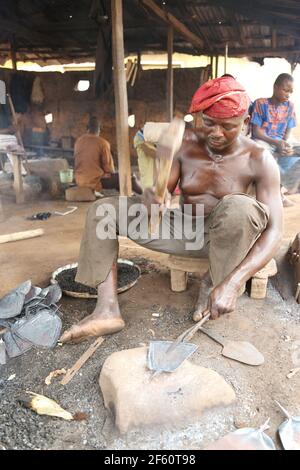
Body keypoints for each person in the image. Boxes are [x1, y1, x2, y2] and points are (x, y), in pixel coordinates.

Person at [60, 76, 282, 344]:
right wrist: (154, 196)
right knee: (103, 210)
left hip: (227, 242)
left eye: (227, 126)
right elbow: (162, 191)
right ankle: (107, 310)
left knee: (241, 208)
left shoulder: (260, 159)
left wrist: (235, 282)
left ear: (246, 123)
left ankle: (213, 283)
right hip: (182, 229)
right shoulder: (186, 143)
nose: (215, 133)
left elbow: (274, 231)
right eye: (209, 122)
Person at [251, 73, 300, 199]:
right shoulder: (260, 103)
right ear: (275, 87)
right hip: (263, 140)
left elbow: (289, 129)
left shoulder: (290, 106)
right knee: (261, 153)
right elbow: (256, 132)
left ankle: (283, 188)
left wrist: (284, 143)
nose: (288, 94)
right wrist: (276, 143)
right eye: (285, 90)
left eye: (291, 92)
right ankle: (275, 192)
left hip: (280, 140)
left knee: (297, 150)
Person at [74, 116, 142, 195]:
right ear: (99, 129)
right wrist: (106, 173)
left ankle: (127, 193)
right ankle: (143, 193)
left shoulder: (78, 141)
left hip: (79, 180)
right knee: (129, 176)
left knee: (118, 178)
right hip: (94, 181)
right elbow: (109, 168)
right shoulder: (102, 143)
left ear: (87, 128)